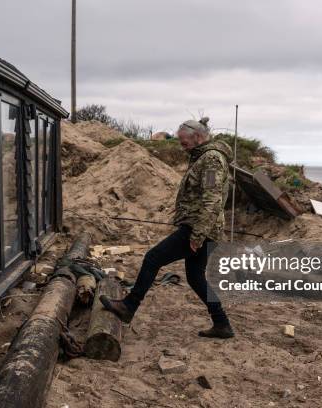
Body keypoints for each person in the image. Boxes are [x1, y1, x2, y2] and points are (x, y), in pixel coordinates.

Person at [100, 117, 234, 338]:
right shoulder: (203, 156)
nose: (181, 146)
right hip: (202, 228)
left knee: (153, 258)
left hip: (199, 229)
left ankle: (128, 307)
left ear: (198, 137)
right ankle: (222, 324)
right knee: (195, 277)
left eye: (184, 142)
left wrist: (197, 235)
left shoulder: (211, 160)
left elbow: (212, 199)